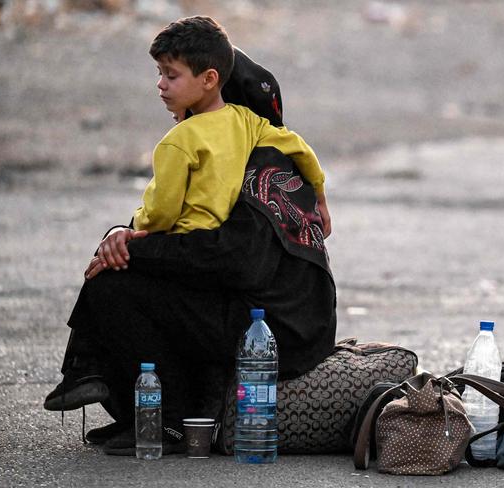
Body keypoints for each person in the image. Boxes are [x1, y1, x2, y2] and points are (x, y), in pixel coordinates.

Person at [43, 16, 337, 456]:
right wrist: (129, 240)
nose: (164, 88)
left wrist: (133, 244)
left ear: (211, 83)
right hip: (283, 317)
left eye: (171, 76)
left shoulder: (249, 163)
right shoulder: (264, 142)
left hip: (278, 333)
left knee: (116, 283)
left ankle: (165, 419)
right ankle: (129, 407)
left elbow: (229, 260)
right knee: (126, 260)